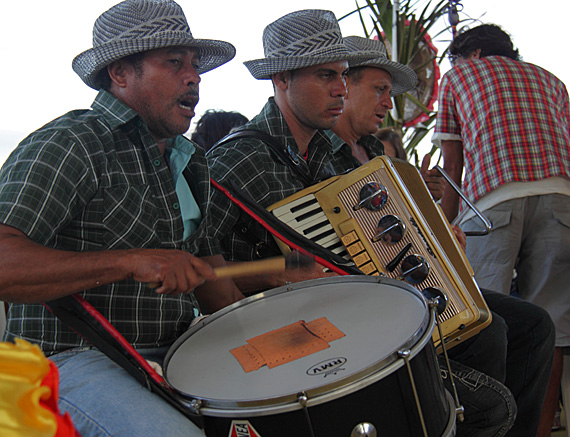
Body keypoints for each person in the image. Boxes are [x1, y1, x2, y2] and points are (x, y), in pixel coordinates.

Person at [0, 1, 244, 435]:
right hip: (57, 361)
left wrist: (281, 321)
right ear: (121, 74)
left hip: (168, 354)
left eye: (194, 64)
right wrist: (129, 261)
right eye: (174, 63)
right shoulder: (72, 142)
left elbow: (213, 284)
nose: (194, 76)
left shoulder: (192, 164)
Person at [327, 35, 555, 436]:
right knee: (493, 329)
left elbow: (411, 224)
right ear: (346, 87)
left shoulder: (376, 154)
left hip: (423, 278)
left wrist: (442, 235)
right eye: (379, 90)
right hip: (382, 301)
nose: (387, 102)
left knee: (536, 324)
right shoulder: (327, 154)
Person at [432, 23, 569, 436]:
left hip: (493, 199)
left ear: (469, 54)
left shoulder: (459, 76)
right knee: (550, 327)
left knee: (483, 316)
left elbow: (452, 165)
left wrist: (446, 224)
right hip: (562, 198)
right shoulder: (551, 80)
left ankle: (492, 428)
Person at [206, 9, 375, 293]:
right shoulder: (238, 158)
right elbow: (190, 268)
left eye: (343, 74)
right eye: (325, 75)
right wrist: (273, 276)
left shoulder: (327, 155)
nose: (342, 89)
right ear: (282, 78)